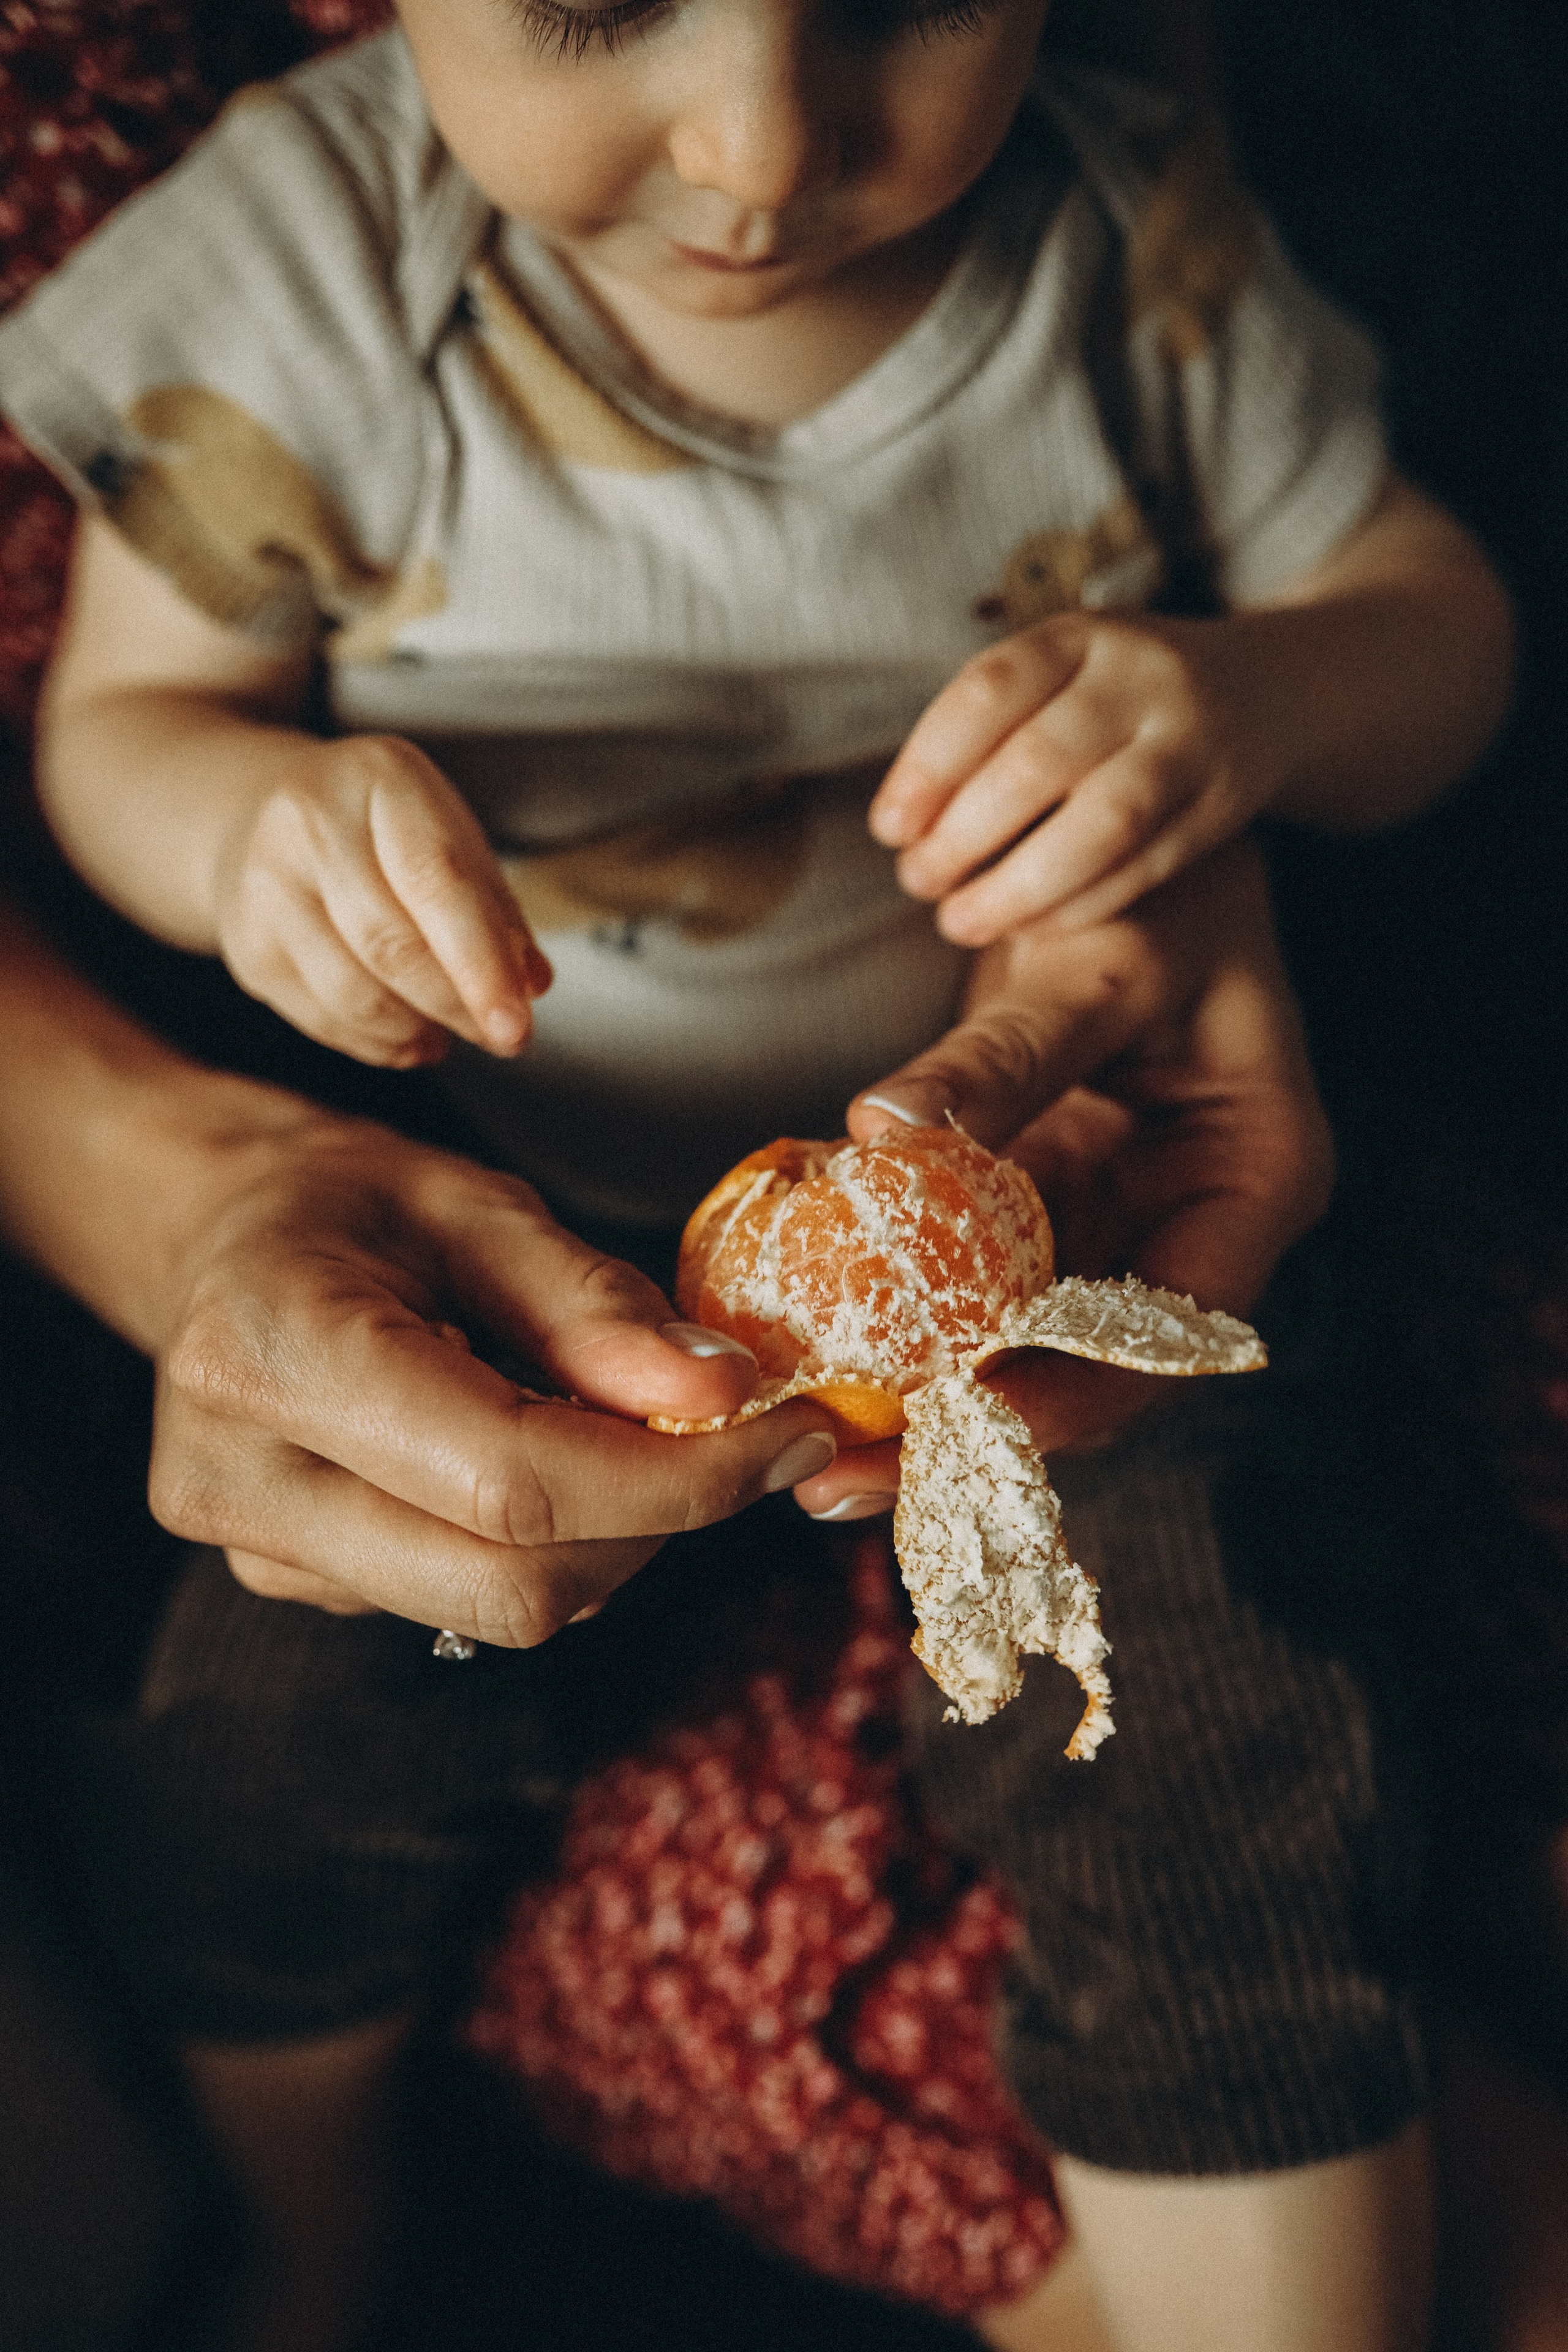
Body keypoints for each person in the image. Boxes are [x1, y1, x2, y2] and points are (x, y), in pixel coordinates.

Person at [0, 1, 1512, 2345]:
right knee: (274, 1714)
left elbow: (1441, 633)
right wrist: (247, 829)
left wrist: (1263, 695)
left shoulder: (1126, 235)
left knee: (1232, 1723)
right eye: (599, 4)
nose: (760, 146)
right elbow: (119, 725)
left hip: (1052, 1202)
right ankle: (301, 2226)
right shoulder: (309, 256)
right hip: (508, 1203)